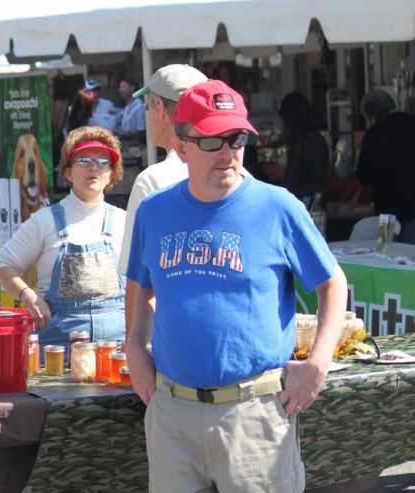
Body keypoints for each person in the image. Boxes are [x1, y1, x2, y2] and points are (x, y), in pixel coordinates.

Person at [125, 79, 348, 492]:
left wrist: (318, 363)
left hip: (255, 416)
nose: (228, 152)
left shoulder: (278, 206)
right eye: (213, 140)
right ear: (181, 145)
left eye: (237, 137)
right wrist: (134, 345)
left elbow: (333, 283)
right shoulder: (154, 211)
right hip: (173, 414)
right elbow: (144, 286)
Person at [0, 126, 126, 354]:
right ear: (67, 172)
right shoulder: (44, 220)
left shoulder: (126, 221)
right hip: (58, 349)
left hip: (116, 349)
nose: (93, 167)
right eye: (83, 160)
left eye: (103, 162)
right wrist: (30, 297)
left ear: (112, 174)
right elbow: (2, 266)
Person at [118, 64, 208, 341]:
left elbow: (136, 283)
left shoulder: (153, 180)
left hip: (171, 345)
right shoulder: (240, 176)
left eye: (146, 107)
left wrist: (136, 351)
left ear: (158, 108)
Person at [356, 89, 415, 242]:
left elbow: (363, 175)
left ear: (372, 116)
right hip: (413, 212)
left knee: (383, 253)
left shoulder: (374, 134)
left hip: (386, 214)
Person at [278, 92, 331, 203]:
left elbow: (321, 182)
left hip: (305, 205)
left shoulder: (312, 141)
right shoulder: (300, 140)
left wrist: (294, 191)